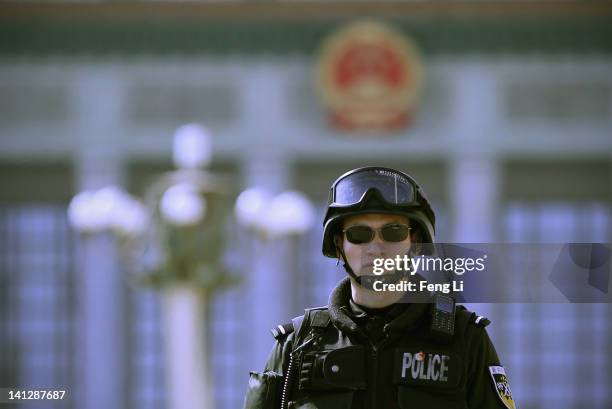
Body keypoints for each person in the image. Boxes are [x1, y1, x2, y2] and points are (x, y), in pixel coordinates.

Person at [243, 166, 516, 409]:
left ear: (415, 240)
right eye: (359, 234)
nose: (376, 248)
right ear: (340, 245)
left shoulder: (464, 338)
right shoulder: (298, 344)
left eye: (393, 232)